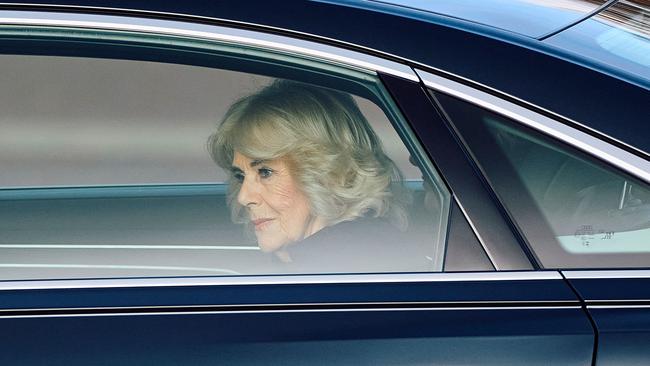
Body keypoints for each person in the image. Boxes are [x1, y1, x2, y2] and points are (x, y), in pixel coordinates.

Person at [209, 80, 429, 273]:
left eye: (265, 172)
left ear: (329, 173)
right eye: (240, 176)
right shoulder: (330, 263)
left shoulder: (351, 273)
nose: (244, 197)